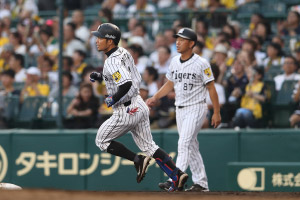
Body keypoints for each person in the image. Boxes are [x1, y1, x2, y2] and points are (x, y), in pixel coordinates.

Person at [89, 23, 189, 192]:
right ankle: (177, 174)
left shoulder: (111, 61)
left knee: (101, 140)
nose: (97, 41)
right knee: (150, 146)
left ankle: (137, 160)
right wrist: (100, 76)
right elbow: (120, 75)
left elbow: (126, 83)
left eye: (100, 38)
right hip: (139, 105)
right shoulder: (123, 52)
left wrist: (112, 98)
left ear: (110, 41)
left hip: (126, 110)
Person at [146, 28, 221, 192]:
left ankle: (175, 178)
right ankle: (201, 183)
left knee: (184, 143)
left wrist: (216, 112)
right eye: (177, 39)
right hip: (180, 109)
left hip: (196, 107)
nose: (178, 42)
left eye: (182, 39)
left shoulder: (202, 63)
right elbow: (169, 84)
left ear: (192, 43)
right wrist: (155, 97)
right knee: (192, 146)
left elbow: (212, 88)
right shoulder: (174, 61)